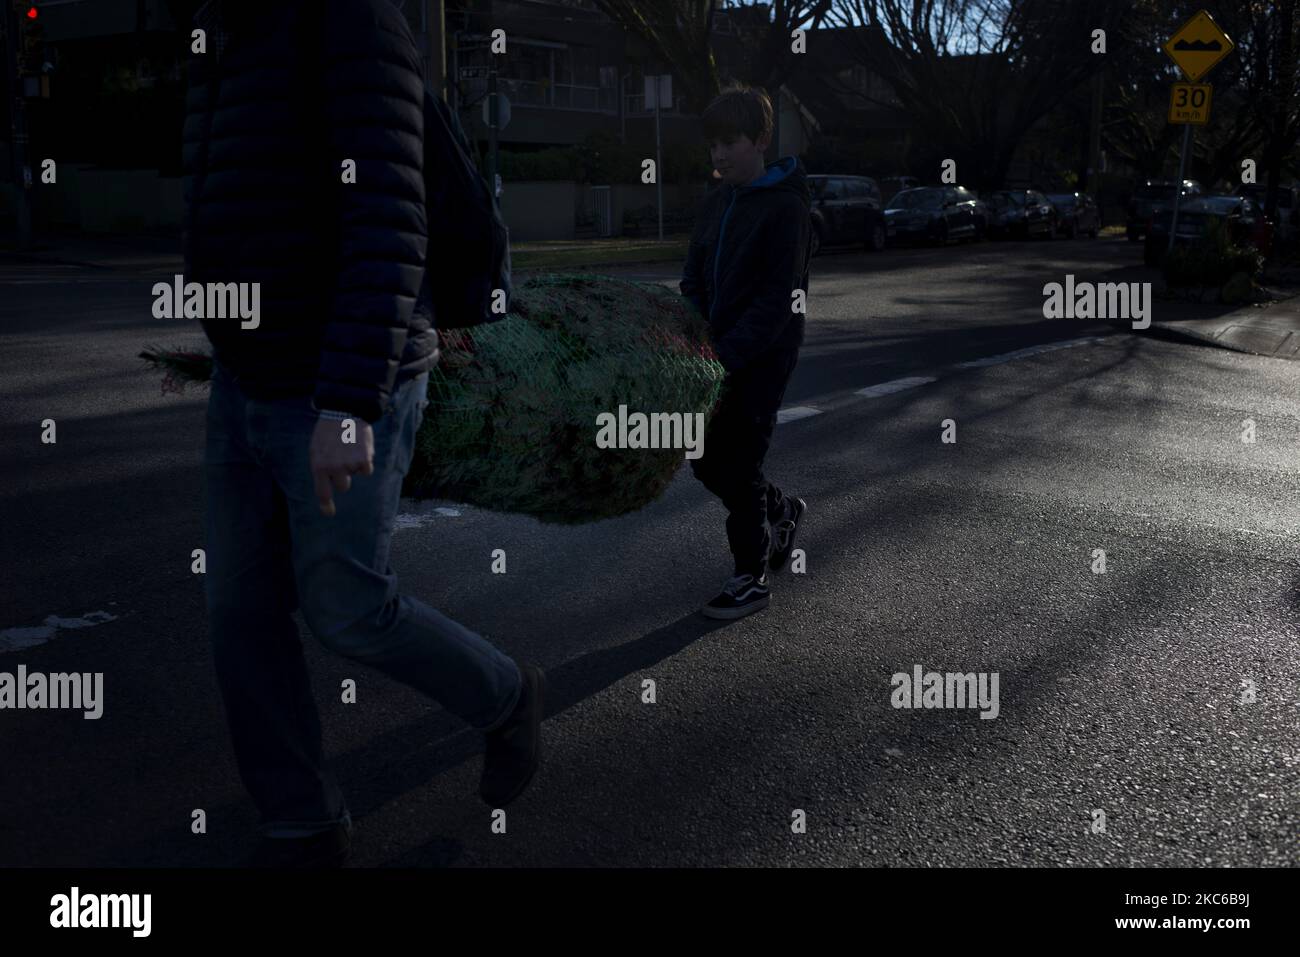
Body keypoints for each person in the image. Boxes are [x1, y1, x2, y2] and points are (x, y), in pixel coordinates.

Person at [183, 0, 543, 868]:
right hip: (243, 382)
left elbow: (388, 214)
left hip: (340, 379)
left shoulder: (351, 16)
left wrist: (348, 402)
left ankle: (506, 696)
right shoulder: (226, 30)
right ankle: (302, 822)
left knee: (347, 607)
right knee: (240, 614)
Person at [680, 85, 811, 620]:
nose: (718, 155)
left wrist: (728, 355)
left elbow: (775, 301)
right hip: (713, 354)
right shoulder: (716, 201)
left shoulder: (786, 209)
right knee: (704, 461)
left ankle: (749, 576)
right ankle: (781, 510)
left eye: (729, 142)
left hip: (762, 357)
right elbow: (693, 276)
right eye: (712, 145)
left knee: (737, 460)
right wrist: (691, 332)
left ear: (760, 140)